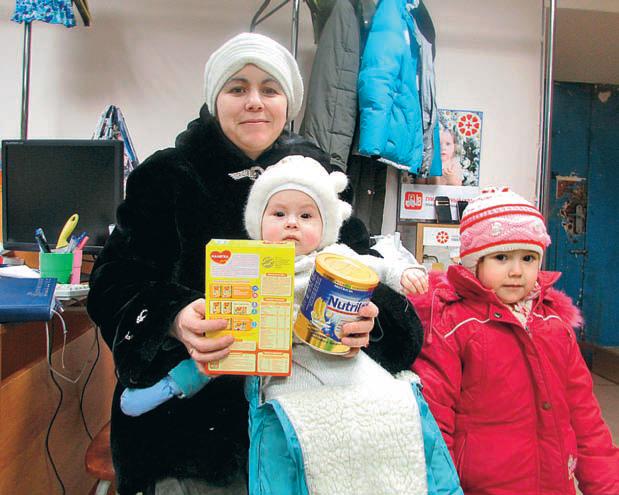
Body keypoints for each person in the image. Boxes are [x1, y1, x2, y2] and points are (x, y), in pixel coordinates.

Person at [87, 32, 423, 495]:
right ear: (215, 99)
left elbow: (363, 268)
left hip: (306, 432)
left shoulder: (317, 179)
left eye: (270, 89)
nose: (254, 102)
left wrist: (367, 320)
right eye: (237, 88)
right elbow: (113, 283)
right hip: (191, 438)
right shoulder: (166, 177)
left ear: (288, 102)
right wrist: (174, 318)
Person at [119, 155, 428, 418]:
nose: (291, 222)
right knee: (213, 355)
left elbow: (376, 265)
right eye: (279, 214)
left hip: (314, 350)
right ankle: (173, 384)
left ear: (326, 226)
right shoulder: (248, 258)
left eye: (306, 215)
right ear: (259, 221)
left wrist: (403, 272)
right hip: (256, 344)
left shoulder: (334, 257)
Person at [410, 187, 619, 495]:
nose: (517, 271)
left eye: (528, 258)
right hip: (481, 486)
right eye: (502, 257)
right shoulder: (453, 326)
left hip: (552, 484)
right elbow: (435, 423)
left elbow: (586, 420)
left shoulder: (554, 325)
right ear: (475, 262)